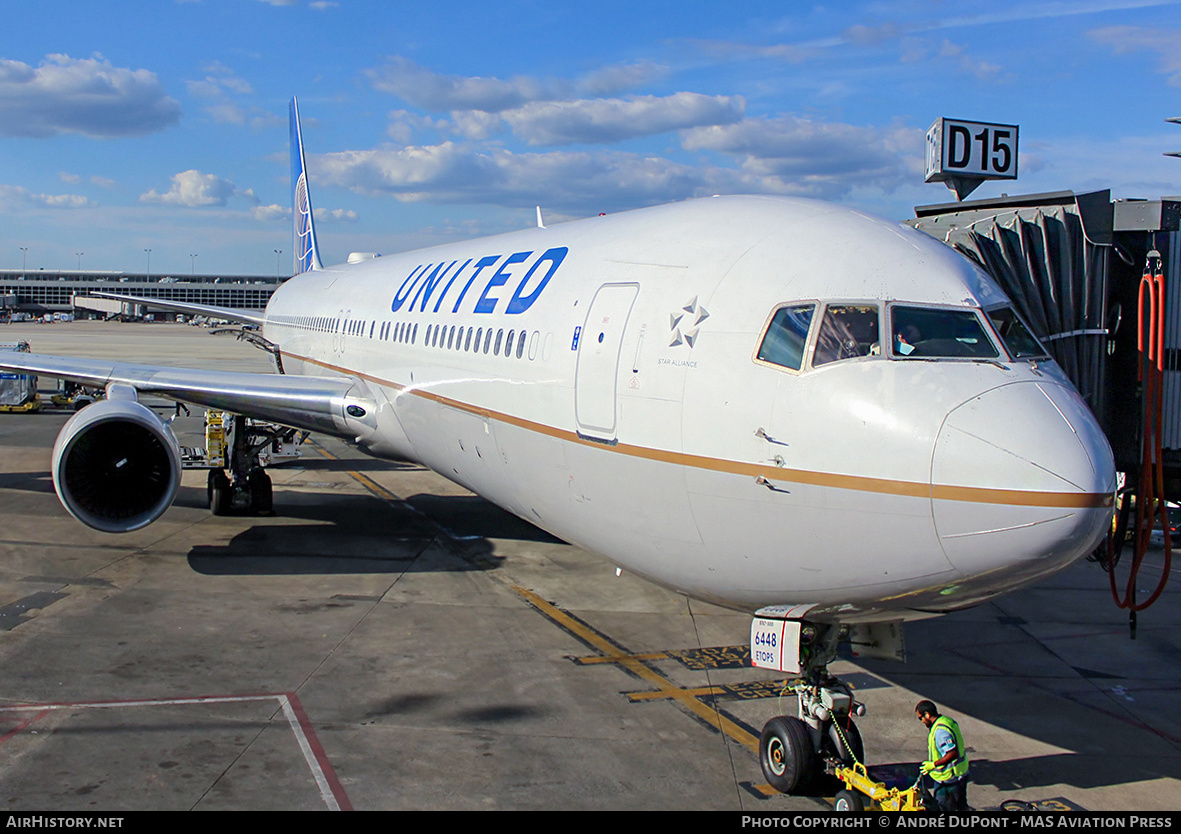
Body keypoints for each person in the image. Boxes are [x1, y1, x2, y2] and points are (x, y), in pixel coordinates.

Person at [915, 699, 969, 812]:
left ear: (927, 714)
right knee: (961, 806)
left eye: (921, 718)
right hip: (960, 774)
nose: (922, 721)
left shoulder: (940, 732)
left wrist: (933, 765)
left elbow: (953, 753)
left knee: (942, 808)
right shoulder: (946, 721)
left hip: (949, 780)